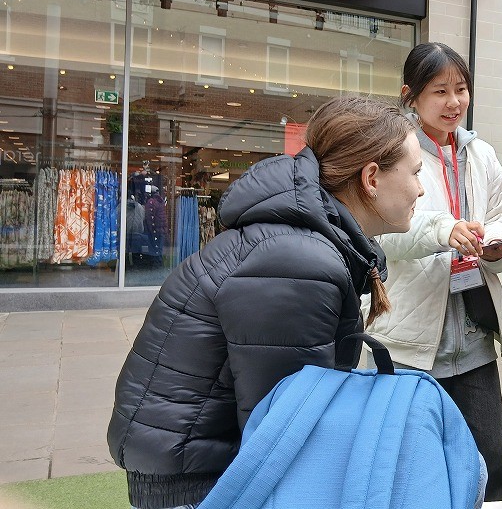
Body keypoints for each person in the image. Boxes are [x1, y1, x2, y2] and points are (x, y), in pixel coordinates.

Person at [107, 96, 424, 509]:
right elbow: (282, 430)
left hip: (195, 459)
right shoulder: (299, 258)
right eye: (416, 172)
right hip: (197, 476)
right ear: (371, 178)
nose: (421, 188)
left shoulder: (304, 243)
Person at [364, 42, 502, 501]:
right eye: (440, 91)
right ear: (410, 95)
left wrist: (496, 247)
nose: (454, 102)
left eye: (461, 89)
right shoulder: (392, 153)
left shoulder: (481, 154)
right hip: (410, 345)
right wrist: (443, 230)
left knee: (493, 472)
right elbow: (382, 233)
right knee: (411, 471)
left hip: (475, 340)